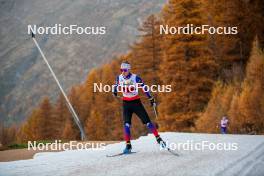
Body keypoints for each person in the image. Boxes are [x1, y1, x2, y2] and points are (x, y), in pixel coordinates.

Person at [113, 61, 166, 154]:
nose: (123, 72)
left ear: (129, 70)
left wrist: (151, 98)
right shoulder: (119, 78)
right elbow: (116, 85)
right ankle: (128, 146)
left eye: (124, 70)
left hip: (136, 103)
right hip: (126, 103)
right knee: (126, 124)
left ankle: (159, 140)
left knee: (147, 122)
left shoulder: (136, 78)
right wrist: (114, 91)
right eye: (121, 70)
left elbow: (144, 88)